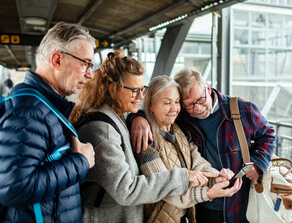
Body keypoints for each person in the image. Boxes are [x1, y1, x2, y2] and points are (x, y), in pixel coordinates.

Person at [69, 51, 218, 223]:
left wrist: (138, 117)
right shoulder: (102, 130)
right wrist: (183, 177)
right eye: (134, 90)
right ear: (113, 89)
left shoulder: (120, 118)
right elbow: (126, 189)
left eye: (142, 90)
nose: (140, 97)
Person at [128, 68, 276, 223]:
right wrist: (137, 118)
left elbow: (268, 134)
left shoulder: (242, 109)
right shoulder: (182, 116)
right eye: (189, 104)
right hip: (201, 204)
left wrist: (258, 163)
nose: (197, 109)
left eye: (200, 99)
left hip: (239, 201)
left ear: (208, 88)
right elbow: (157, 110)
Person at [0, 22, 96, 222]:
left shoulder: (40, 107)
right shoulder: (29, 112)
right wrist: (80, 162)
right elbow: (14, 188)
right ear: (57, 59)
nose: (90, 74)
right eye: (85, 63)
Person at [137, 75, 241, 223]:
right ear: (151, 106)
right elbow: (169, 191)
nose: (174, 109)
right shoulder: (146, 141)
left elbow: (197, 162)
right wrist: (209, 193)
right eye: (167, 103)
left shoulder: (178, 130)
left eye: (177, 102)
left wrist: (217, 177)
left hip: (186, 216)